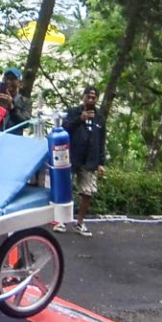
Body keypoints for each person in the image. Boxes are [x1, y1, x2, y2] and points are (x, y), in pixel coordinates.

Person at [54, 85, 106, 237]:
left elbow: (101, 140)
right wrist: (80, 119)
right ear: (83, 97)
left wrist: (101, 163)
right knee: (65, 189)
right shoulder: (72, 112)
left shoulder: (100, 118)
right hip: (71, 157)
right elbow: (63, 129)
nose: (91, 99)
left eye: (94, 97)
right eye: (88, 96)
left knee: (87, 192)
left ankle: (80, 222)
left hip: (90, 160)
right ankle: (61, 221)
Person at [0, 67, 32, 134]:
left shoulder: (25, 101)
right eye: (6, 79)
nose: (8, 81)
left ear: (20, 83)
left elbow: (26, 123)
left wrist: (12, 108)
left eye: (12, 79)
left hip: (14, 140)